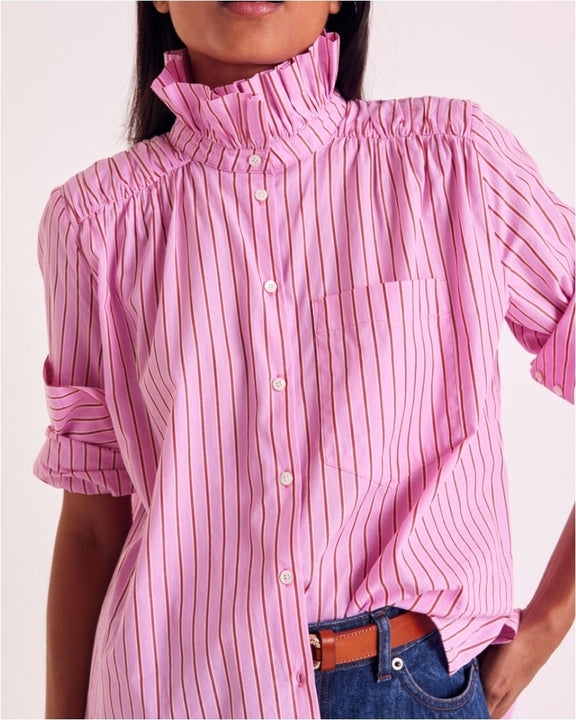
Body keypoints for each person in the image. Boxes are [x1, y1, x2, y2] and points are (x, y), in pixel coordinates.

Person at [34, 2, 574, 718]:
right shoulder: (93, 224)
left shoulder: (453, 160)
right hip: (172, 694)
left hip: (401, 691)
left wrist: (545, 626)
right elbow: (92, 524)